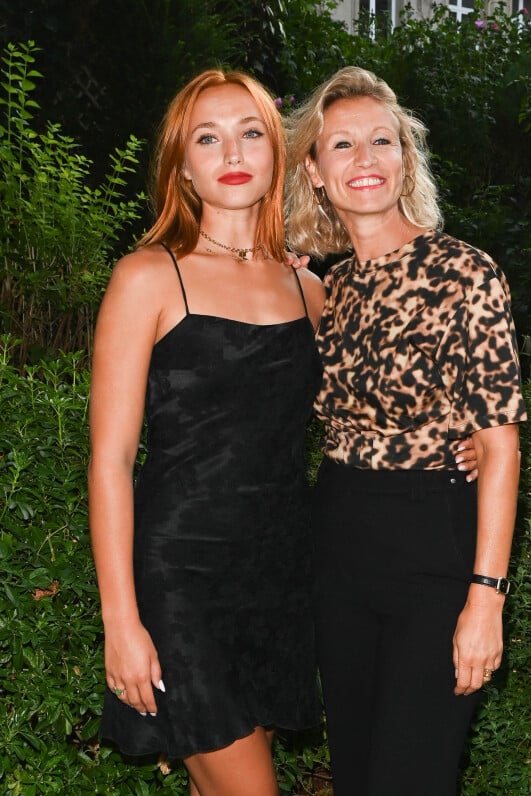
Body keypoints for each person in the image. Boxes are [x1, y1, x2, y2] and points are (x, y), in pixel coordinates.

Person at [285, 66, 527, 795]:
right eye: (343, 146)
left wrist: (486, 597)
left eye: (381, 142)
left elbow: (500, 444)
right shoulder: (329, 289)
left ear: (406, 159)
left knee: (410, 777)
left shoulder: (465, 273)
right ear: (316, 172)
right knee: (358, 775)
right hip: (339, 542)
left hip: (435, 549)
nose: (365, 160)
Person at [88, 69, 327, 796]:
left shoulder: (312, 290)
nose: (233, 149)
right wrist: (120, 621)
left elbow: (361, 420)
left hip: (275, 580)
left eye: (251, 131)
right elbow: (109, 461)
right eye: (208, 136)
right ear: (182, 166)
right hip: (177, 581)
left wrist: (465, 443)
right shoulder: (147, 278)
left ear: (277, 154)